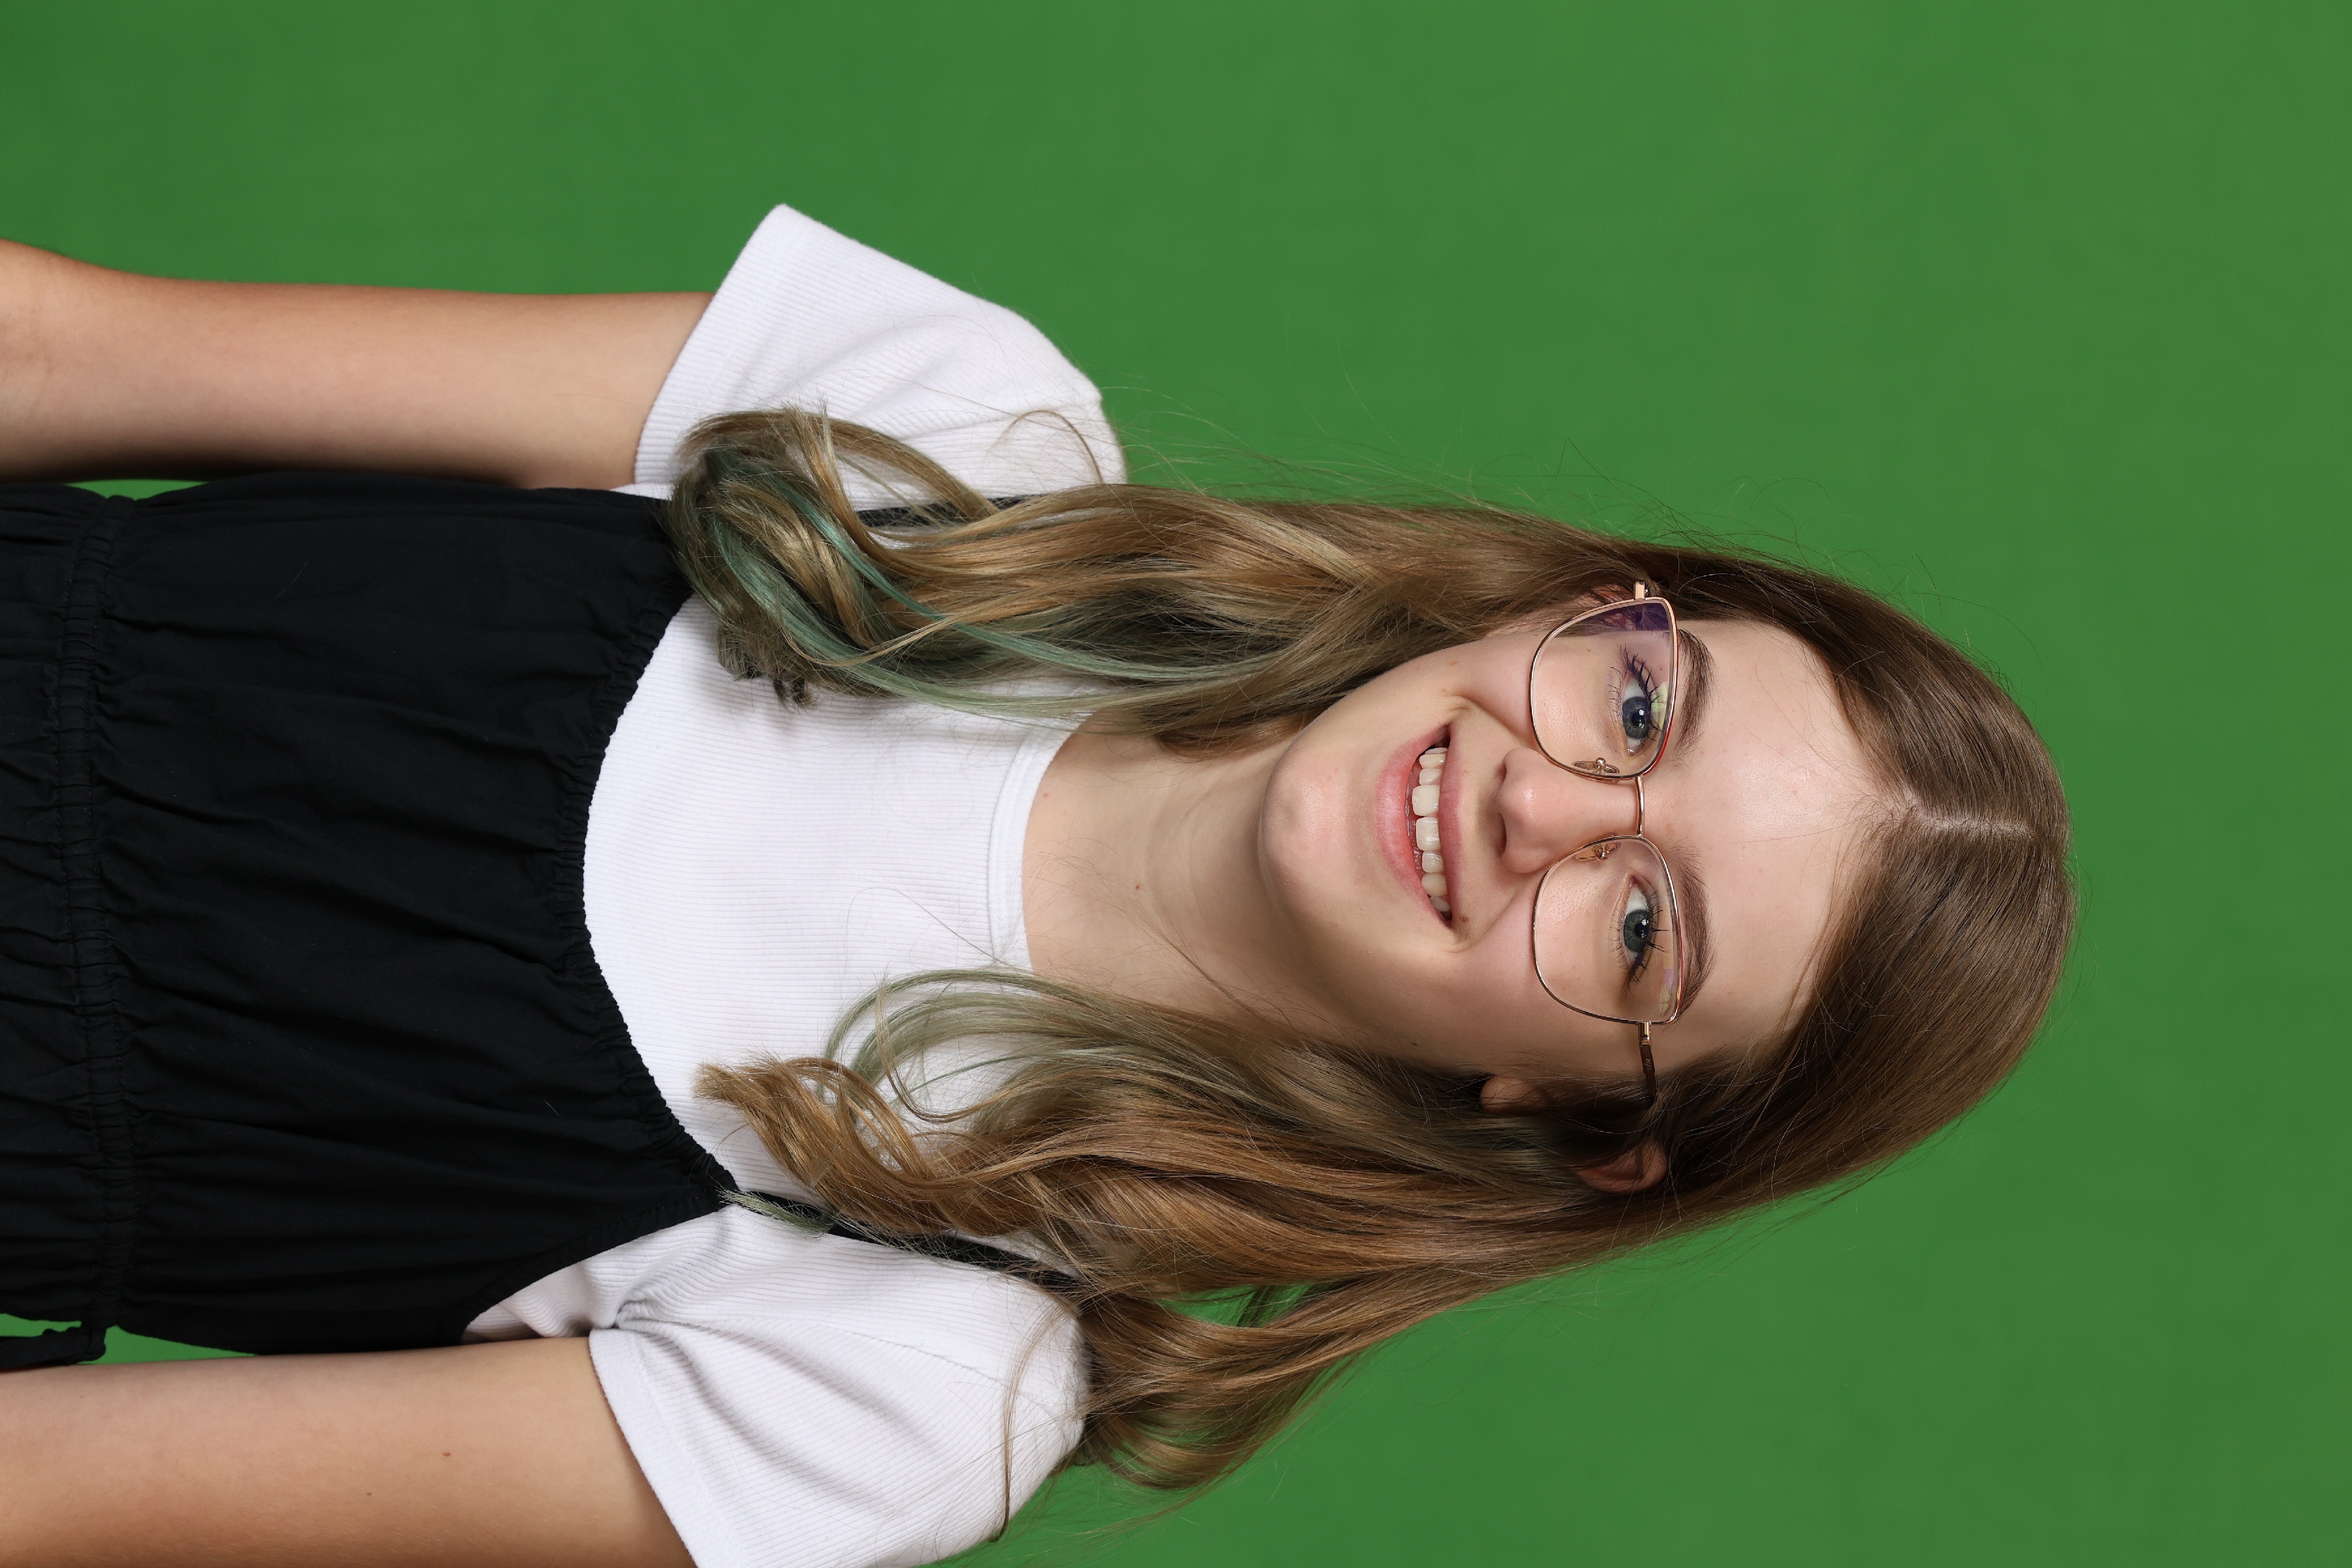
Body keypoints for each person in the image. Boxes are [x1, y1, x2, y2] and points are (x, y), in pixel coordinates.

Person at [0, 204, 2072, 1568]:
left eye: (1639, 926)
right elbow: (67, 355)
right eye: (1635, 707)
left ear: (1580, 1121)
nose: (1548, 804)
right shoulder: (942, 423)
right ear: (1583, 604)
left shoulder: (926, 1379)